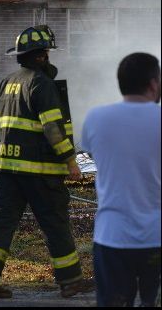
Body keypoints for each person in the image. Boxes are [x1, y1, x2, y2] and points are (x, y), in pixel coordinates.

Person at [0, 25, 93, 299]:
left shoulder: (7, 83)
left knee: (1, 223)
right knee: (55, 224)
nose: (49, 58)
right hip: (40, 172)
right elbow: (53, 128)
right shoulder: (42, 84)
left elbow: (4, 125)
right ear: (40, 56)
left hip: (6, 170)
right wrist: (70, 161)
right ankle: (70, 281)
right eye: (46, 53)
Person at [81, 52, 161, 307]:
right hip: (156, 238)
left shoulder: (95, 118)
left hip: (111, 237)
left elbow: (94, 154)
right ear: (153, 83)